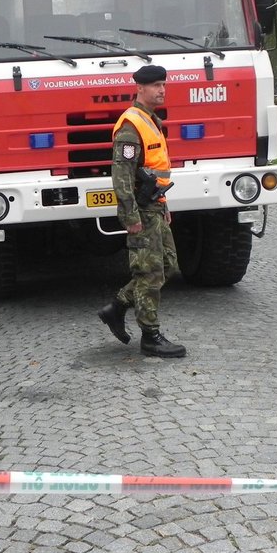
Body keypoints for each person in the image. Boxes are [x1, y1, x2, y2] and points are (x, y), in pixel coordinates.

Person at [98, 64, 186, 358]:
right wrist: (130, 217)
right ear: (140, 88)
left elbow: (154, 171)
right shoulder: (130, 125)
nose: (162, 90)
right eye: (156, 85)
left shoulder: (152, 120)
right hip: (141, 210)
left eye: (164, 84)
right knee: (149, 272)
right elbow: (121, 177)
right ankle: (151, 337)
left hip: (156, 205)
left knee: (169, 264)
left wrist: (165, 205)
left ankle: (118, 305)